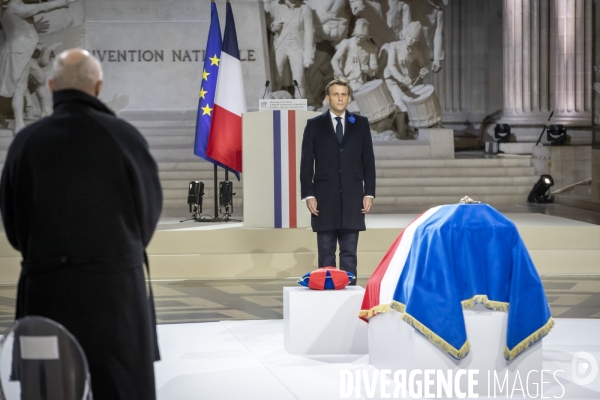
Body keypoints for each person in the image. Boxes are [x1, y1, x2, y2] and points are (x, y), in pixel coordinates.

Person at [0, 48, 162, 400]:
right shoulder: (125, 138)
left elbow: (13, 228)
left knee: (48, 390)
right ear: (99, 86)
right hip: (115, 296)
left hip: (46, 294)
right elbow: (147, 217)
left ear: (51, 84)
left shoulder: (24, 143)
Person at [300, 78, 376, 283]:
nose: (340, 98)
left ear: (349, 98)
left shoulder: (360, 124)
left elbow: (368, 161)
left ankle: (349, 296)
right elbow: (306, 164)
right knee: (326, 254)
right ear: (327, 98)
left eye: (344, 94)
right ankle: (327, 297)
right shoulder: (314, 125)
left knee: (349, 253)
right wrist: (309, 194)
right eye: (336, 94)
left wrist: (369, 192)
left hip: (353, 198)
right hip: (324, 198)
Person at [0, 0, 78, 132]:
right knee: (20, 88)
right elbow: (43, 7)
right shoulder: (17, 8)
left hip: (19, 50)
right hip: (20, 52)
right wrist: (63, 1)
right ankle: (19, 125)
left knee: (40, 78)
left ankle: (46, 111)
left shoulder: (5, 10)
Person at [331, 18, 378, 93]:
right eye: (357, 36)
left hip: (358, 81)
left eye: (362, 37)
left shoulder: (372, 48)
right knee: (328, 101)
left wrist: (368, 70)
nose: (359, 39)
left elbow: (374, 69)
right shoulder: (346, 43)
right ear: (354, 33)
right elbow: (334, 60)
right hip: (343, 78)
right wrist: (340, 74)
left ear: (367, 36)